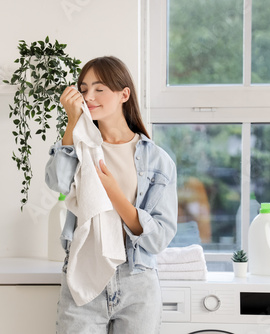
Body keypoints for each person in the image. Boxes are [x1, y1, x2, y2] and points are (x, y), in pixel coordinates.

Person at [45, 56, 177, 333]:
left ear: (123, 94)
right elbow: (57, 182)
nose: (88, 96)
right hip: (83, 270)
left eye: (99, 88)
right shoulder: (82, 147)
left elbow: (159, 238)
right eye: (83, 89)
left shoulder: (157, 161)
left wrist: (114, 193)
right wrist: (72, 123)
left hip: (137, 278)